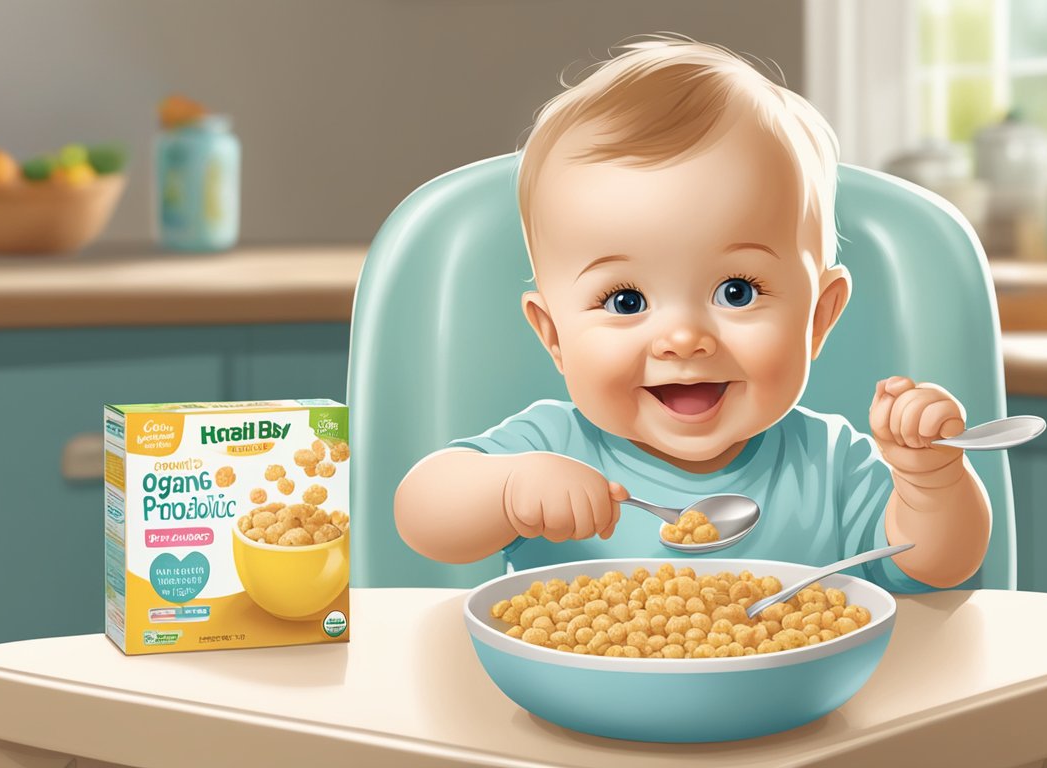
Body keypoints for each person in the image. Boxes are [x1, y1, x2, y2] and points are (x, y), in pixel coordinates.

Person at [394, 36, 990, 593]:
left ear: (818, 318)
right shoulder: (551, 445)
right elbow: (421, 516)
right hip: (570, 704)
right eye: (625, 302)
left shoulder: (830, 463)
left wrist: (931, 482)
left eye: (737, 291)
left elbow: (940, 564)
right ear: (554, 335)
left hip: (800, 705)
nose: (683, 339)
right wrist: (507, 488)